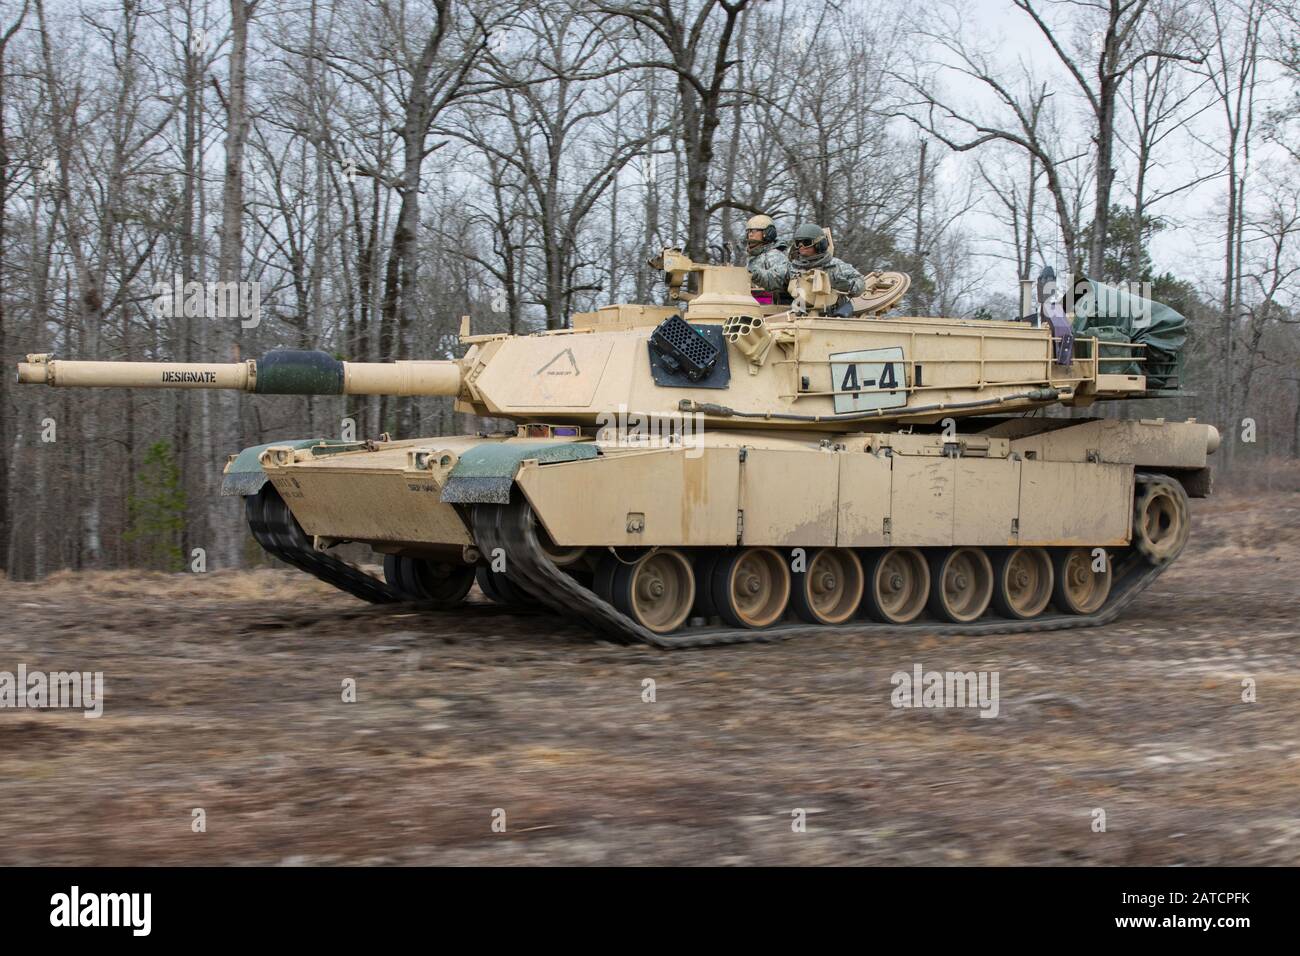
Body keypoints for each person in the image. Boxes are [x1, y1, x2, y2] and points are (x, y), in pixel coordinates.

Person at [788, 222, 866, 316]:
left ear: (819, 244)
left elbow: (860, 281)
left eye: (806, 243)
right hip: (801, 316)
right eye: (798, 243)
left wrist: (849, 287)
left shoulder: (835, 266)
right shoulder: (793, 268)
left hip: (832, 317)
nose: (801, 246)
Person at [744, 214, 791, 303]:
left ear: (767, 233)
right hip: (752, 305)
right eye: (748, 231)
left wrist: (752, 273)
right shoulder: (752, 257)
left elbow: (776, 281)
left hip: (772, 310)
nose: (750, 234)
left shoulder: (775, 255)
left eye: (754, 230)